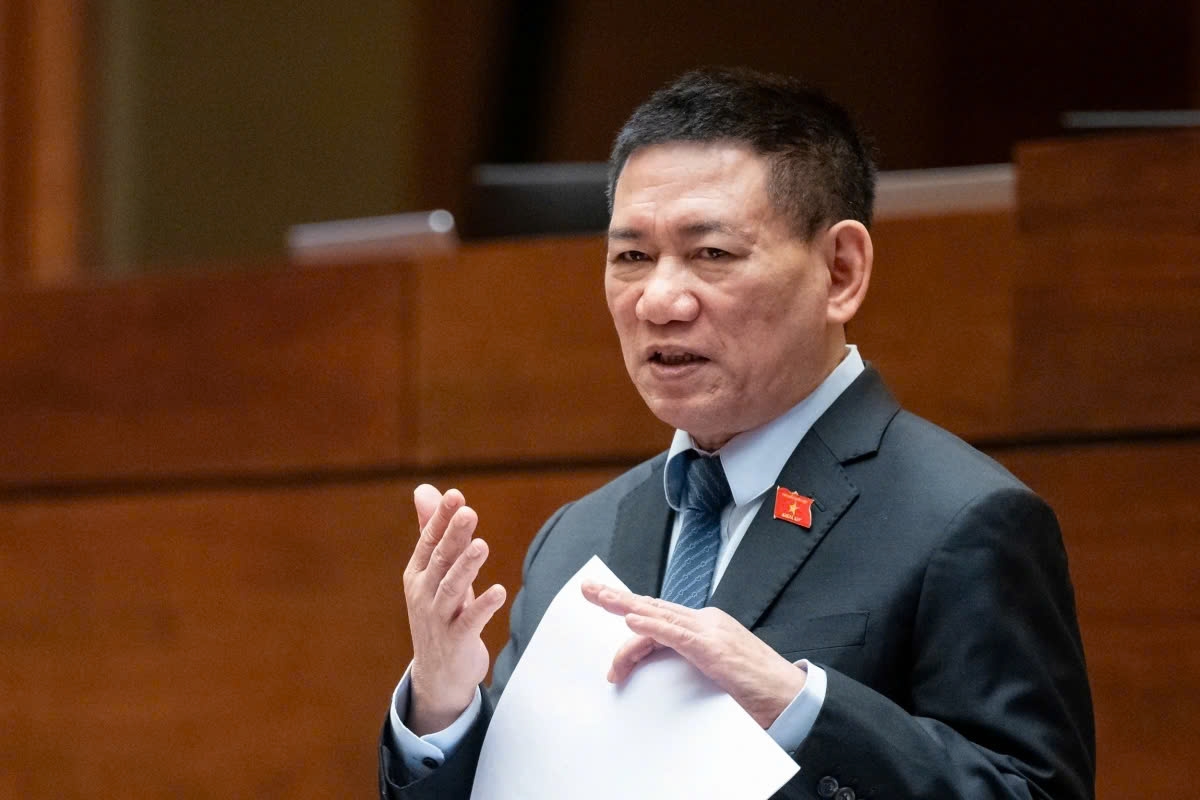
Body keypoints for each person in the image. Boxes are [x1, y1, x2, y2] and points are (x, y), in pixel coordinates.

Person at [378, 67, 1095, 800]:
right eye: (631, 256)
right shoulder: (579, 535)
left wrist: (798, 706)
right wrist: (442, 707)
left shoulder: (964, 519)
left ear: (840, 271)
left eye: (711, 253)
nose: (658, 300)